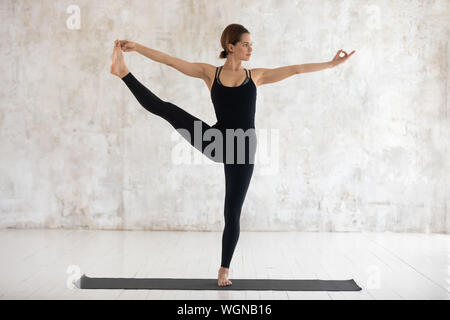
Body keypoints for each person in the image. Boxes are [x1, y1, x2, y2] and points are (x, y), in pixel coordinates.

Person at [110, 23, 355, 287]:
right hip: (216, 142)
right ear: (231, 47)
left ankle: (223, 269)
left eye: (251, 44)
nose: (251, 48)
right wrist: (138, 47)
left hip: (244, 148)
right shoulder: (210, 74)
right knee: (166, 109)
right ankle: (123, 72)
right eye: (246, 44)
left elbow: (295, 69)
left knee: (232, 212)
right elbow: (171, 62)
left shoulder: (256, 76)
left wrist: (331, 64)